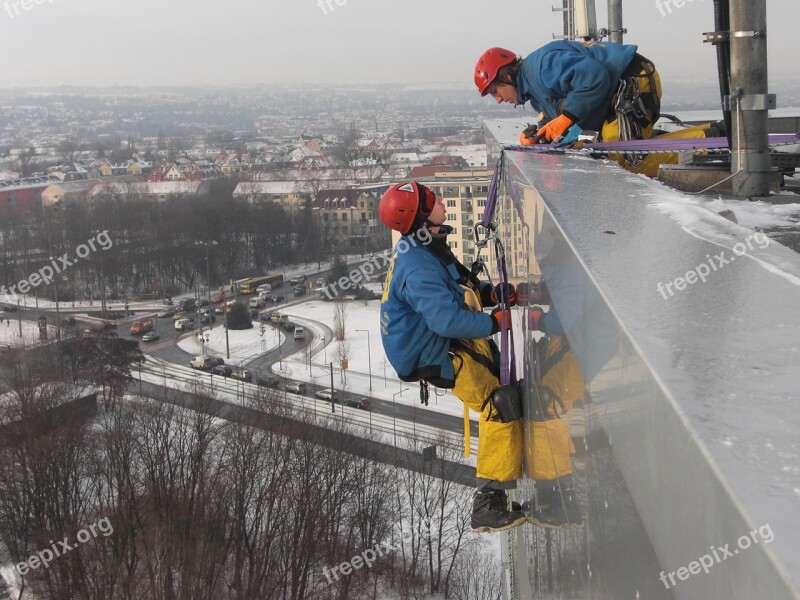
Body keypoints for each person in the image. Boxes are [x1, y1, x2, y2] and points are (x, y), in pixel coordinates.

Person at [378, 181, 527, 533]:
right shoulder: (418, 266)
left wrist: (493, 294)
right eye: (432, 200)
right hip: (431, 349)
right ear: (418, 218)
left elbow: (458, 288)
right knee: (499, 403)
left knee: (507, 390)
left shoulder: (427, 245)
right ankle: (488, 504)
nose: (441, 200)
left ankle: (509, 475)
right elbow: (445, 319)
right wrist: (494, 322)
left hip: (440, 338)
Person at [474, 41, 711, 175]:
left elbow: (594, 78)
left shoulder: (542, 67)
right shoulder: (535, 90)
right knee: (608, 149)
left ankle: (709, 142)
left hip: (632, 81)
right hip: (618, 92)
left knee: (622, 157)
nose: (498, 99)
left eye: (495, 91)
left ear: (505, 75)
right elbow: (560, 115)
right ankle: (692, 142)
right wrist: (540, 134)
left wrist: (566, 118)